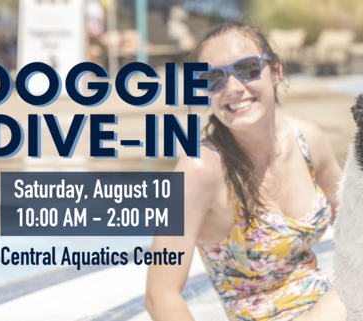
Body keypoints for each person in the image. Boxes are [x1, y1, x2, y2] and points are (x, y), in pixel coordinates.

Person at [145, 21, 346, 320]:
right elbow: (160, 294)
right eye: (214, 79)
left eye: (248, 68)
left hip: (331, 303)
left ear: (275, 71)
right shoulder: (199, 170)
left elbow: (358, 222)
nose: (234, 88)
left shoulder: (307, 140)